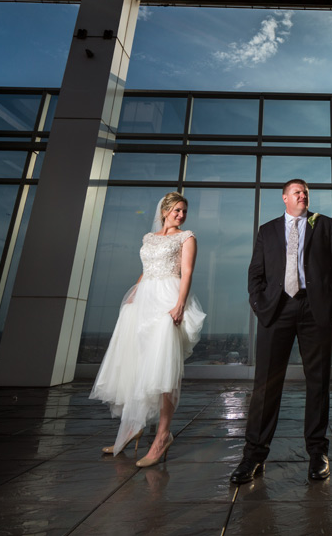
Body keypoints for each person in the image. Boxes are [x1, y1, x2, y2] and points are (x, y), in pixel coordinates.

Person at [231, 179, 332, 484]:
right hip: (276, 310)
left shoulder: (324, 225)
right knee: (266, 386)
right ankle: (253, 456)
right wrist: (261, 305)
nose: (302, 195)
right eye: (297, 191)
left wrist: (330, 310)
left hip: (315, 311)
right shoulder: (267, 231)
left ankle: (318, 454)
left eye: (305, 192)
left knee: (318, 383)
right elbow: (255, 273)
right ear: (284, 198)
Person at [89, 191, 206, 467]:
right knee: (138, 364)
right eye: (177, 210)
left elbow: (186, 272)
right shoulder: (149, 238)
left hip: (168, 299)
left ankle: (163, 435)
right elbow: (147, 268)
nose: (181, 215)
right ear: (164, 211)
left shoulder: (187, 237)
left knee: (164, 367)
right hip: (143, 300)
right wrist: (134, 294)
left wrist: (179, 305)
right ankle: (133, 426)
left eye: (184, 211)